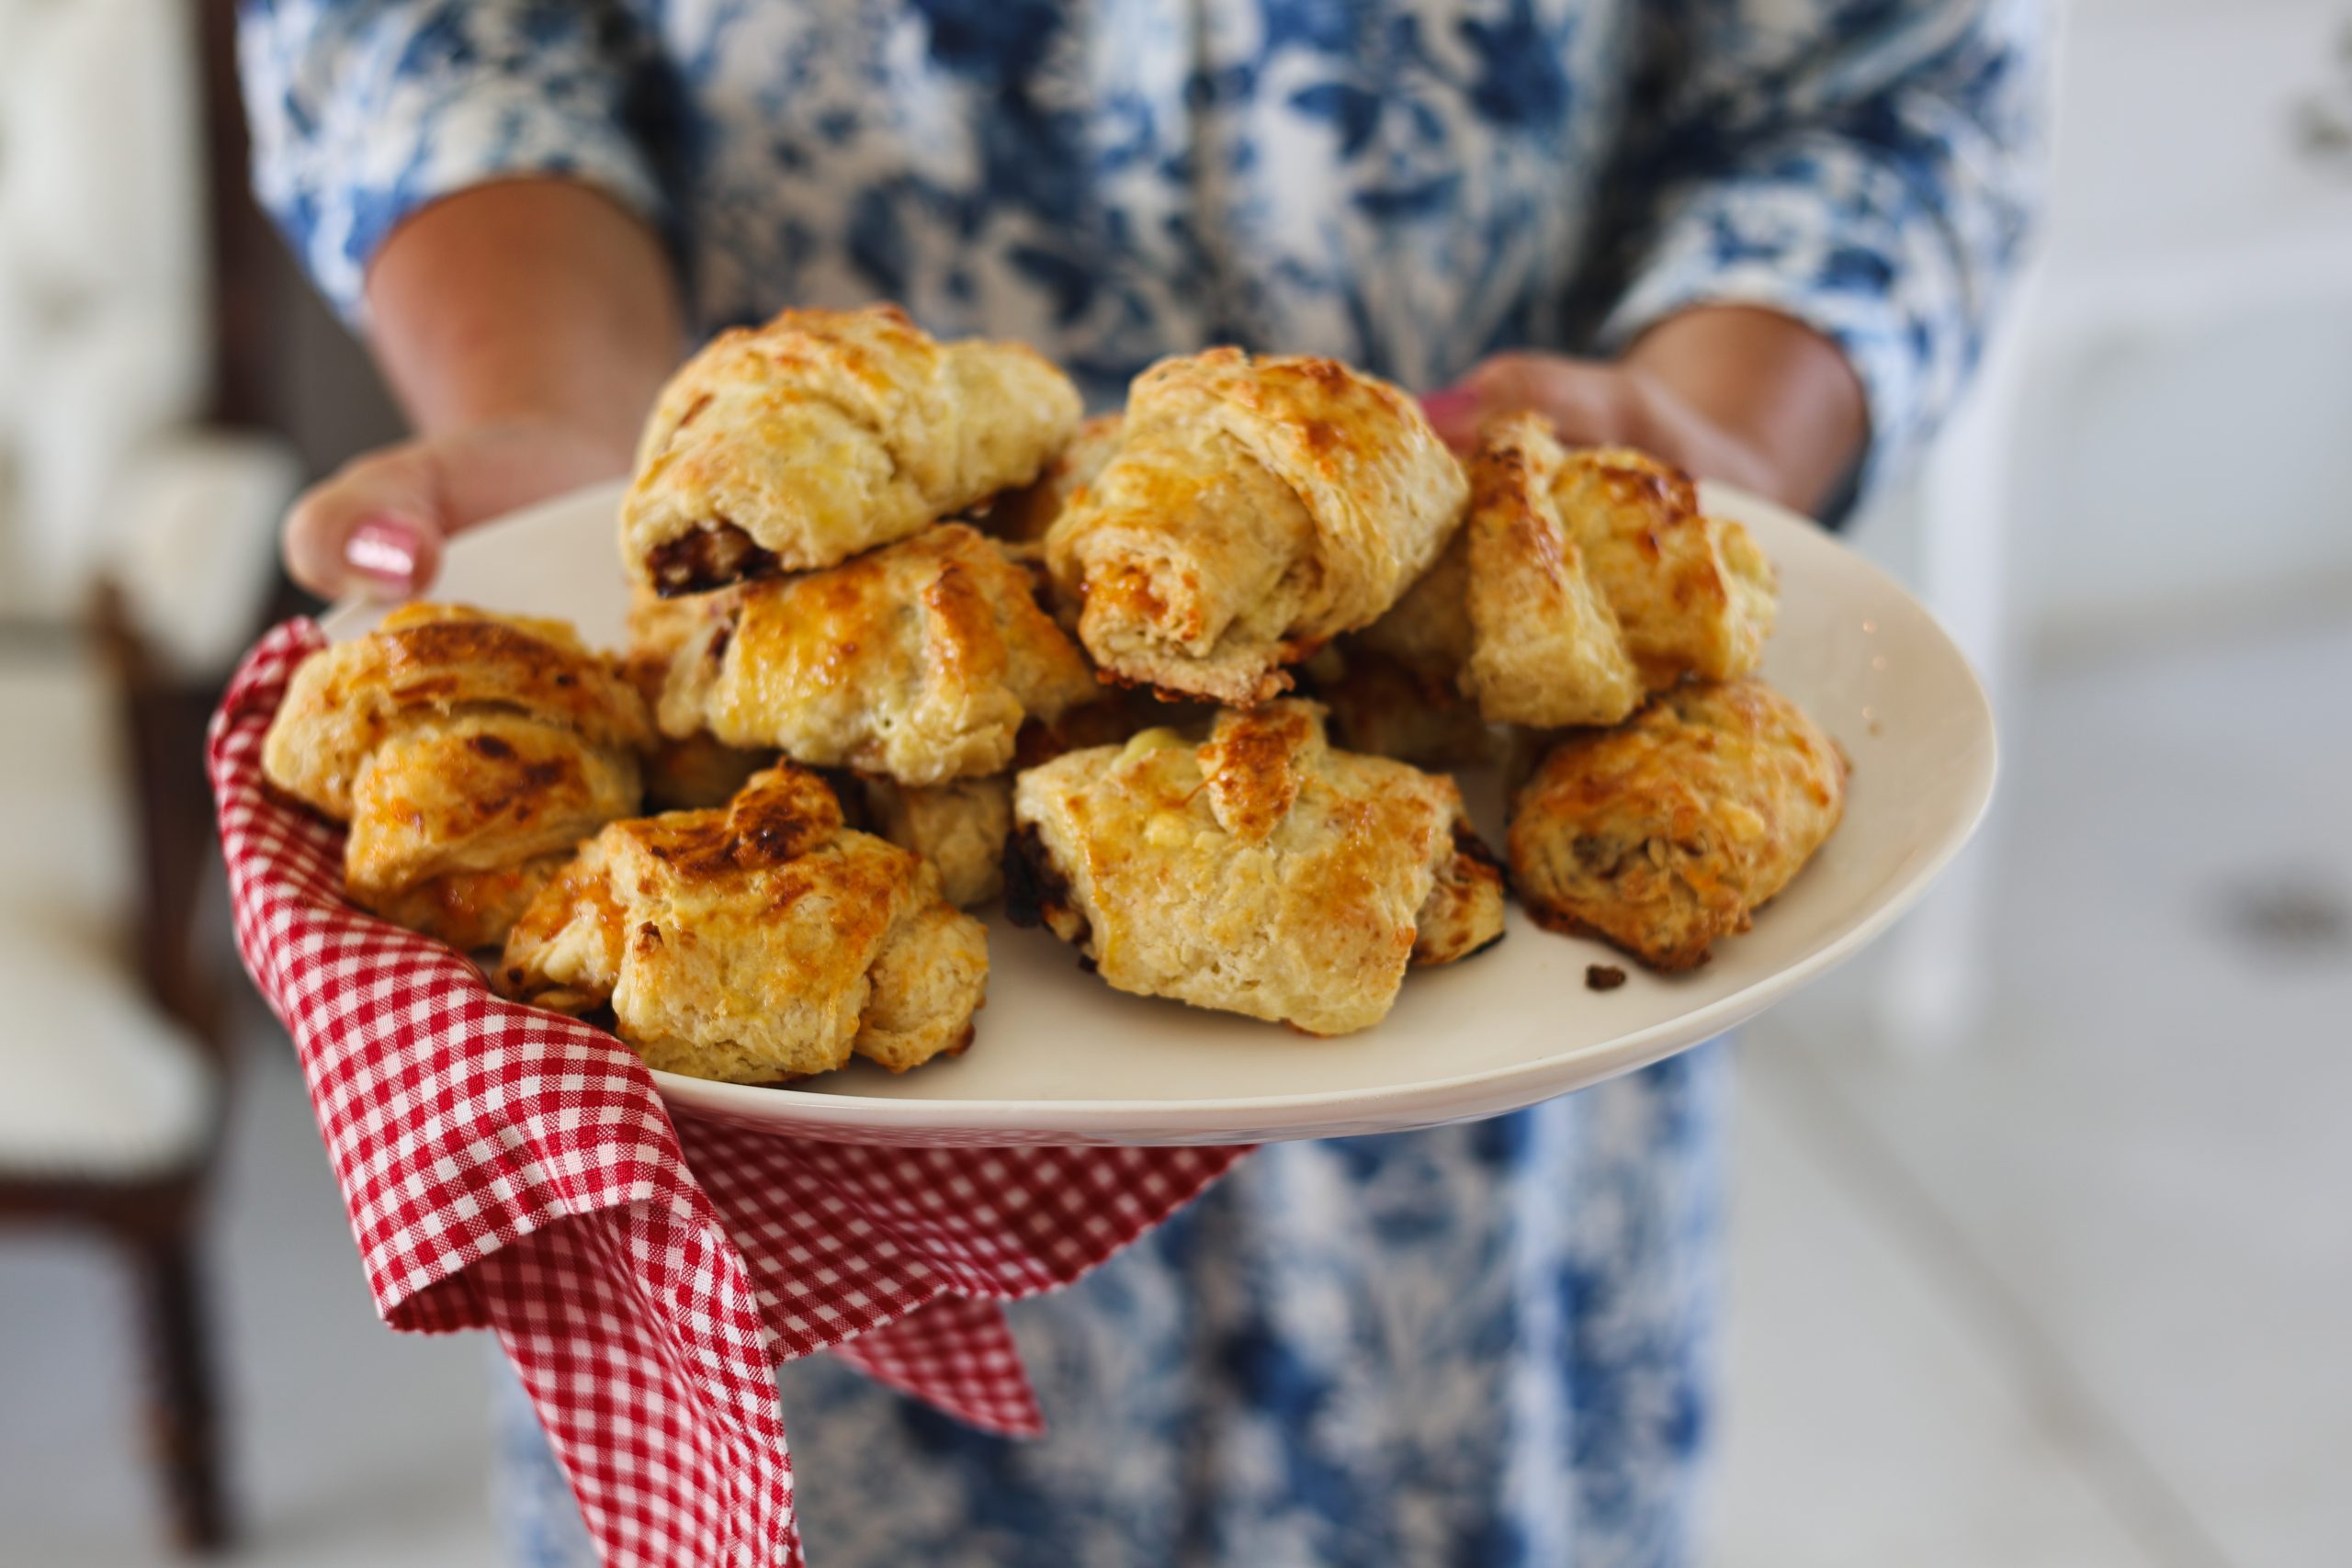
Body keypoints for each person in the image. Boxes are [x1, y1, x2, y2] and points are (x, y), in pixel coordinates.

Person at [239, 4, 2042, 1563]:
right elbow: (424, 31)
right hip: (765, 1112)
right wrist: (572, 426)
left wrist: (1709, 441)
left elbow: (1881, 79)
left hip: (1493, 1020)